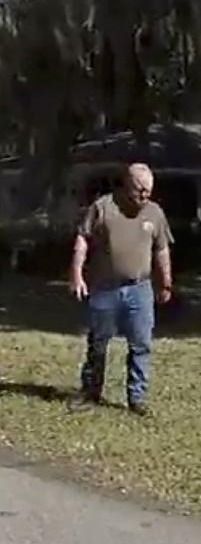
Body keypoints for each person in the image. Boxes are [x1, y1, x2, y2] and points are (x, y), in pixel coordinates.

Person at [69, 162, 172, 416]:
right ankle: (91, 392)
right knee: (98, 343)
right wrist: (76, 274)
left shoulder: (155, 213)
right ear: (126, 184)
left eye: (148, 191)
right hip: (105, 289)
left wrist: (165, 282)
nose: (144, 196)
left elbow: (161, 249)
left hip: (140, 288)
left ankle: (137, 398)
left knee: (141, 344)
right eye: (140, 190)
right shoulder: (103, 208)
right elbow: (83, 240)